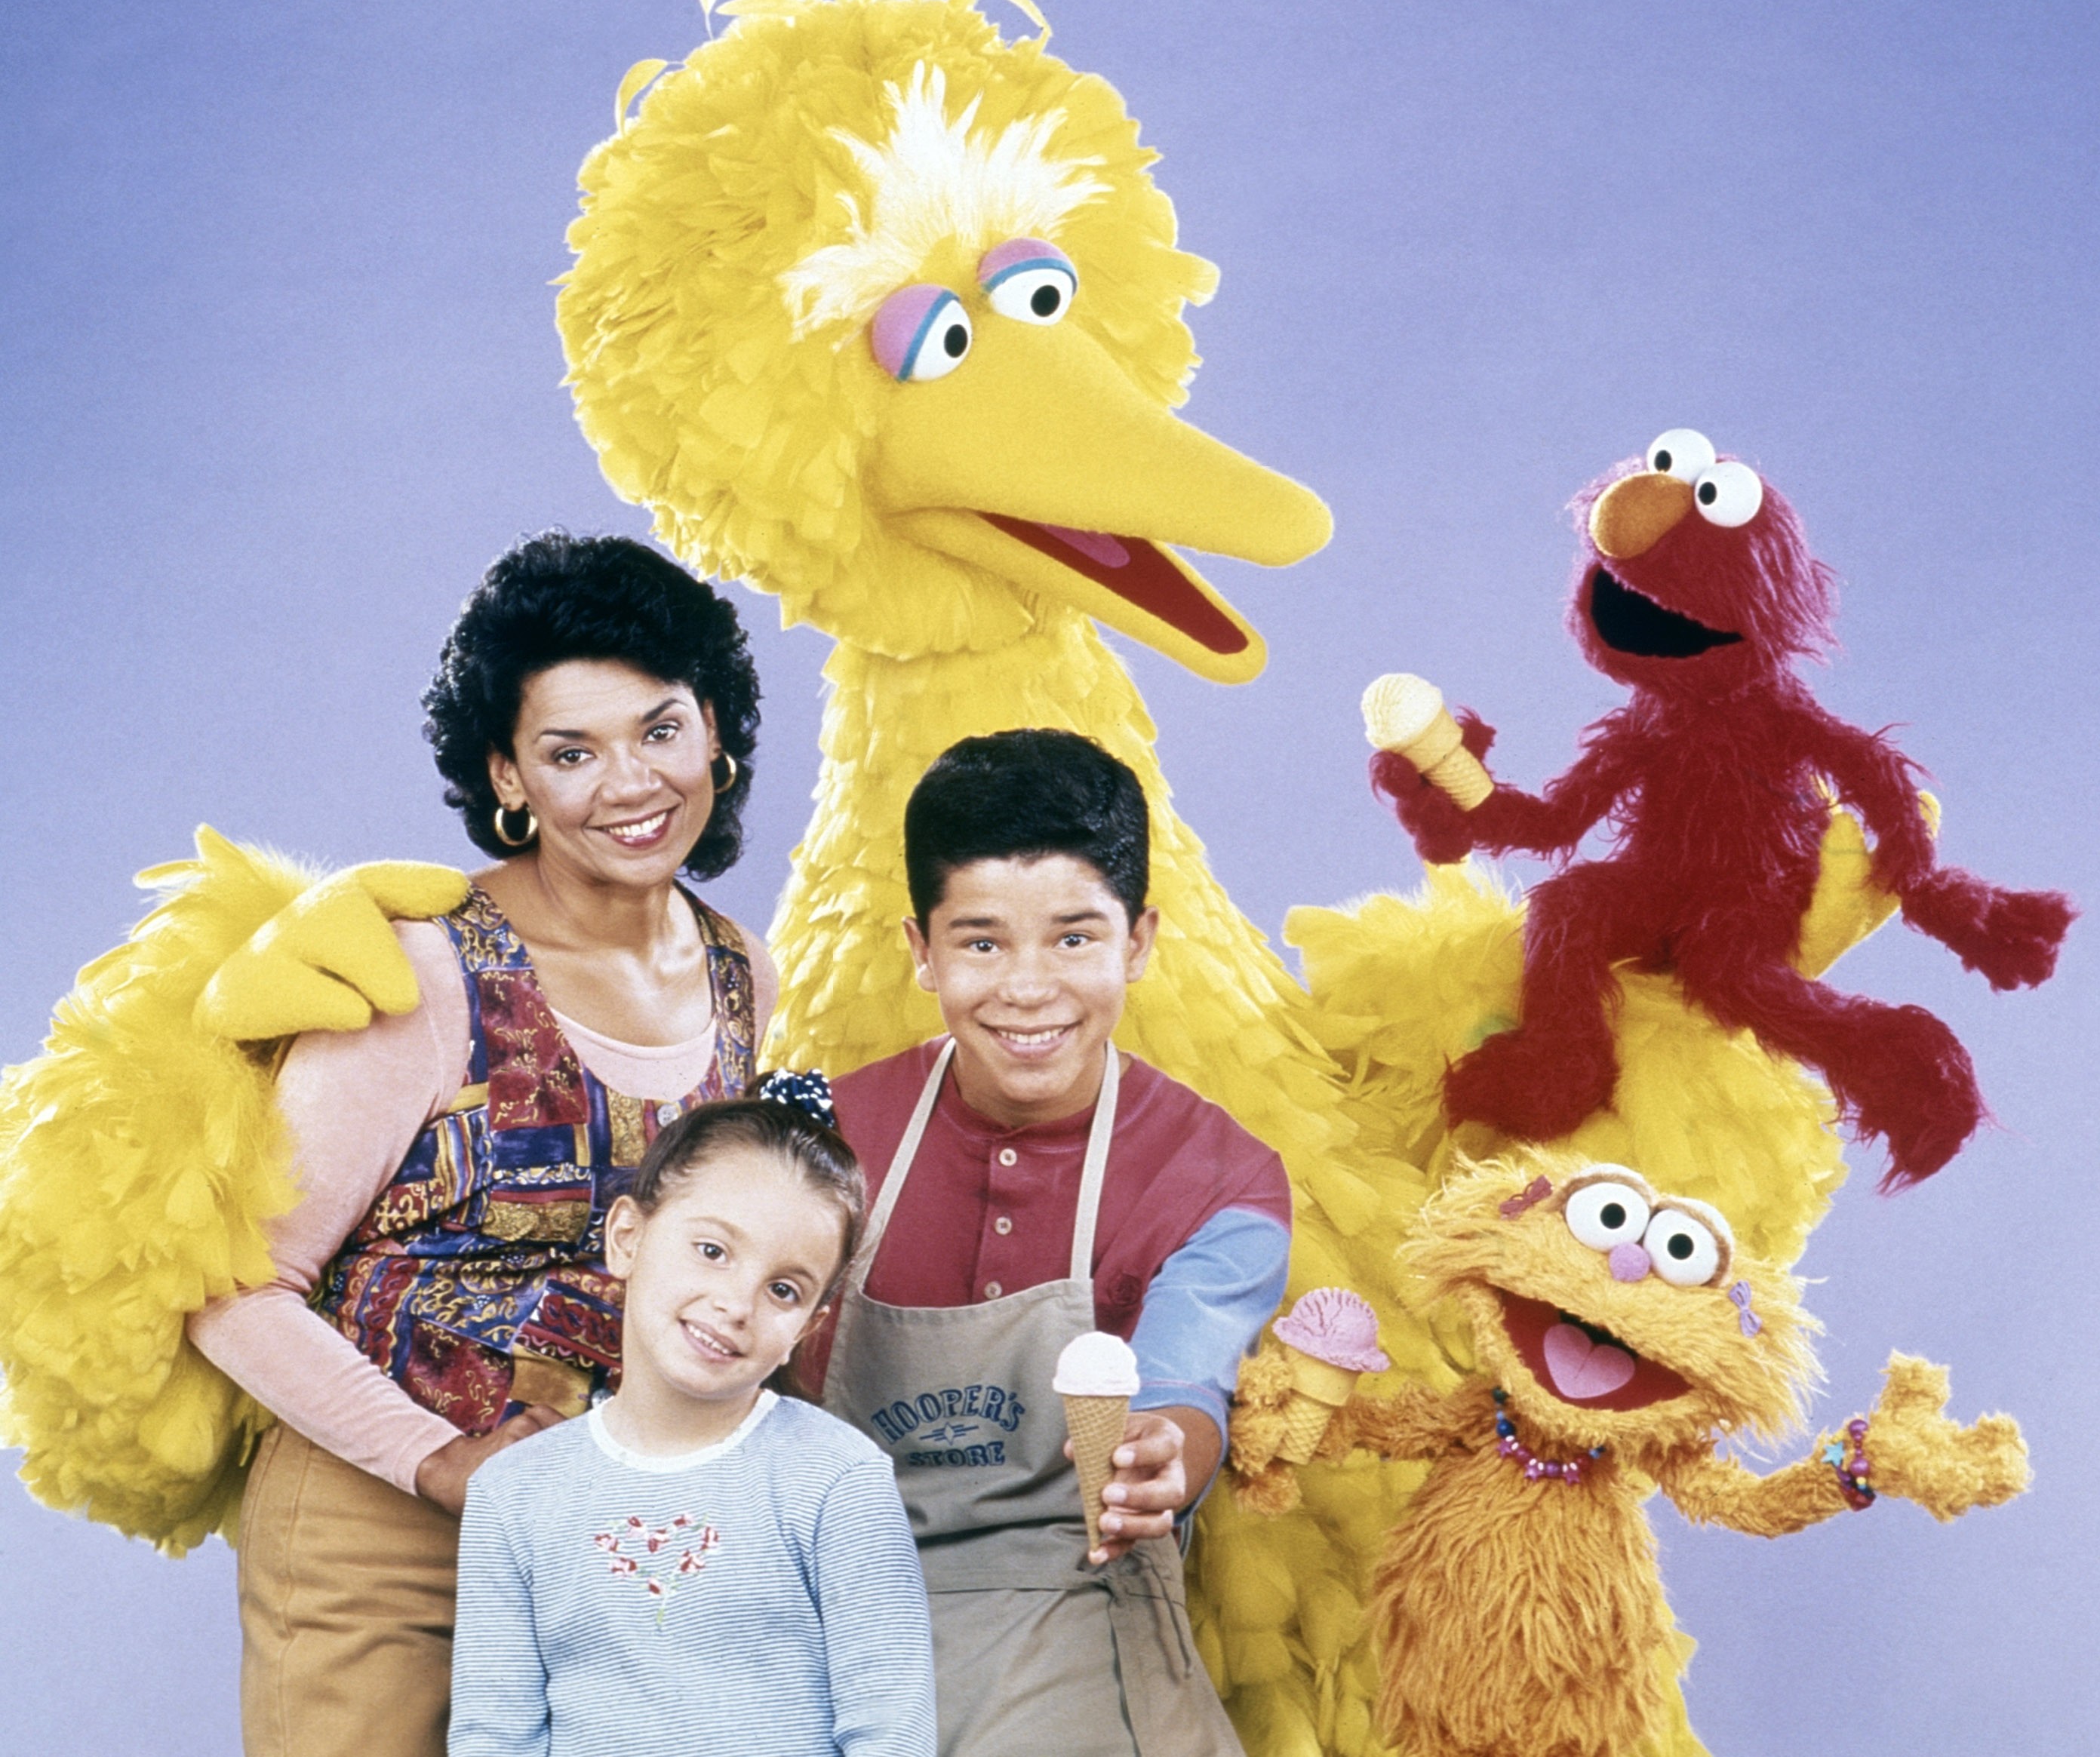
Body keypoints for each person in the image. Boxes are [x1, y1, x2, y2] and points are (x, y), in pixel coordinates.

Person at [186, 531, 779, 1757]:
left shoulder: (738, 971)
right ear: (508, 773)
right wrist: (441, 1461)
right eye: (571, 750)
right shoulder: (425, 966)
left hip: (613, 1544)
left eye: (660, 729)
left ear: (715, 728)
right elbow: (234, 1285)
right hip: (382, 1534)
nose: (631, 782)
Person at [792, 729, 1291, 1756]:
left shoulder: (1222, 1178)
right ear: (920, 950)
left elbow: (1183, 1388)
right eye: (981, 943)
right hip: (817, 1608)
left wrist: (1160, 1460)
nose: (1027, 988)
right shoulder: (810, 1139)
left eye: (1073, 939)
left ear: (1138, 941)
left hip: (1080, 1605)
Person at [449, 1079, 935, 1757]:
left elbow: (891, 1731)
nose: (737, 1303)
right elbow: (493, 1734)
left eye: (783, 1289)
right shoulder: (512, 1492)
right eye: (712, 1250)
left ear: (807, 1327)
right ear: (627, 1236)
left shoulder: (838, 1479)